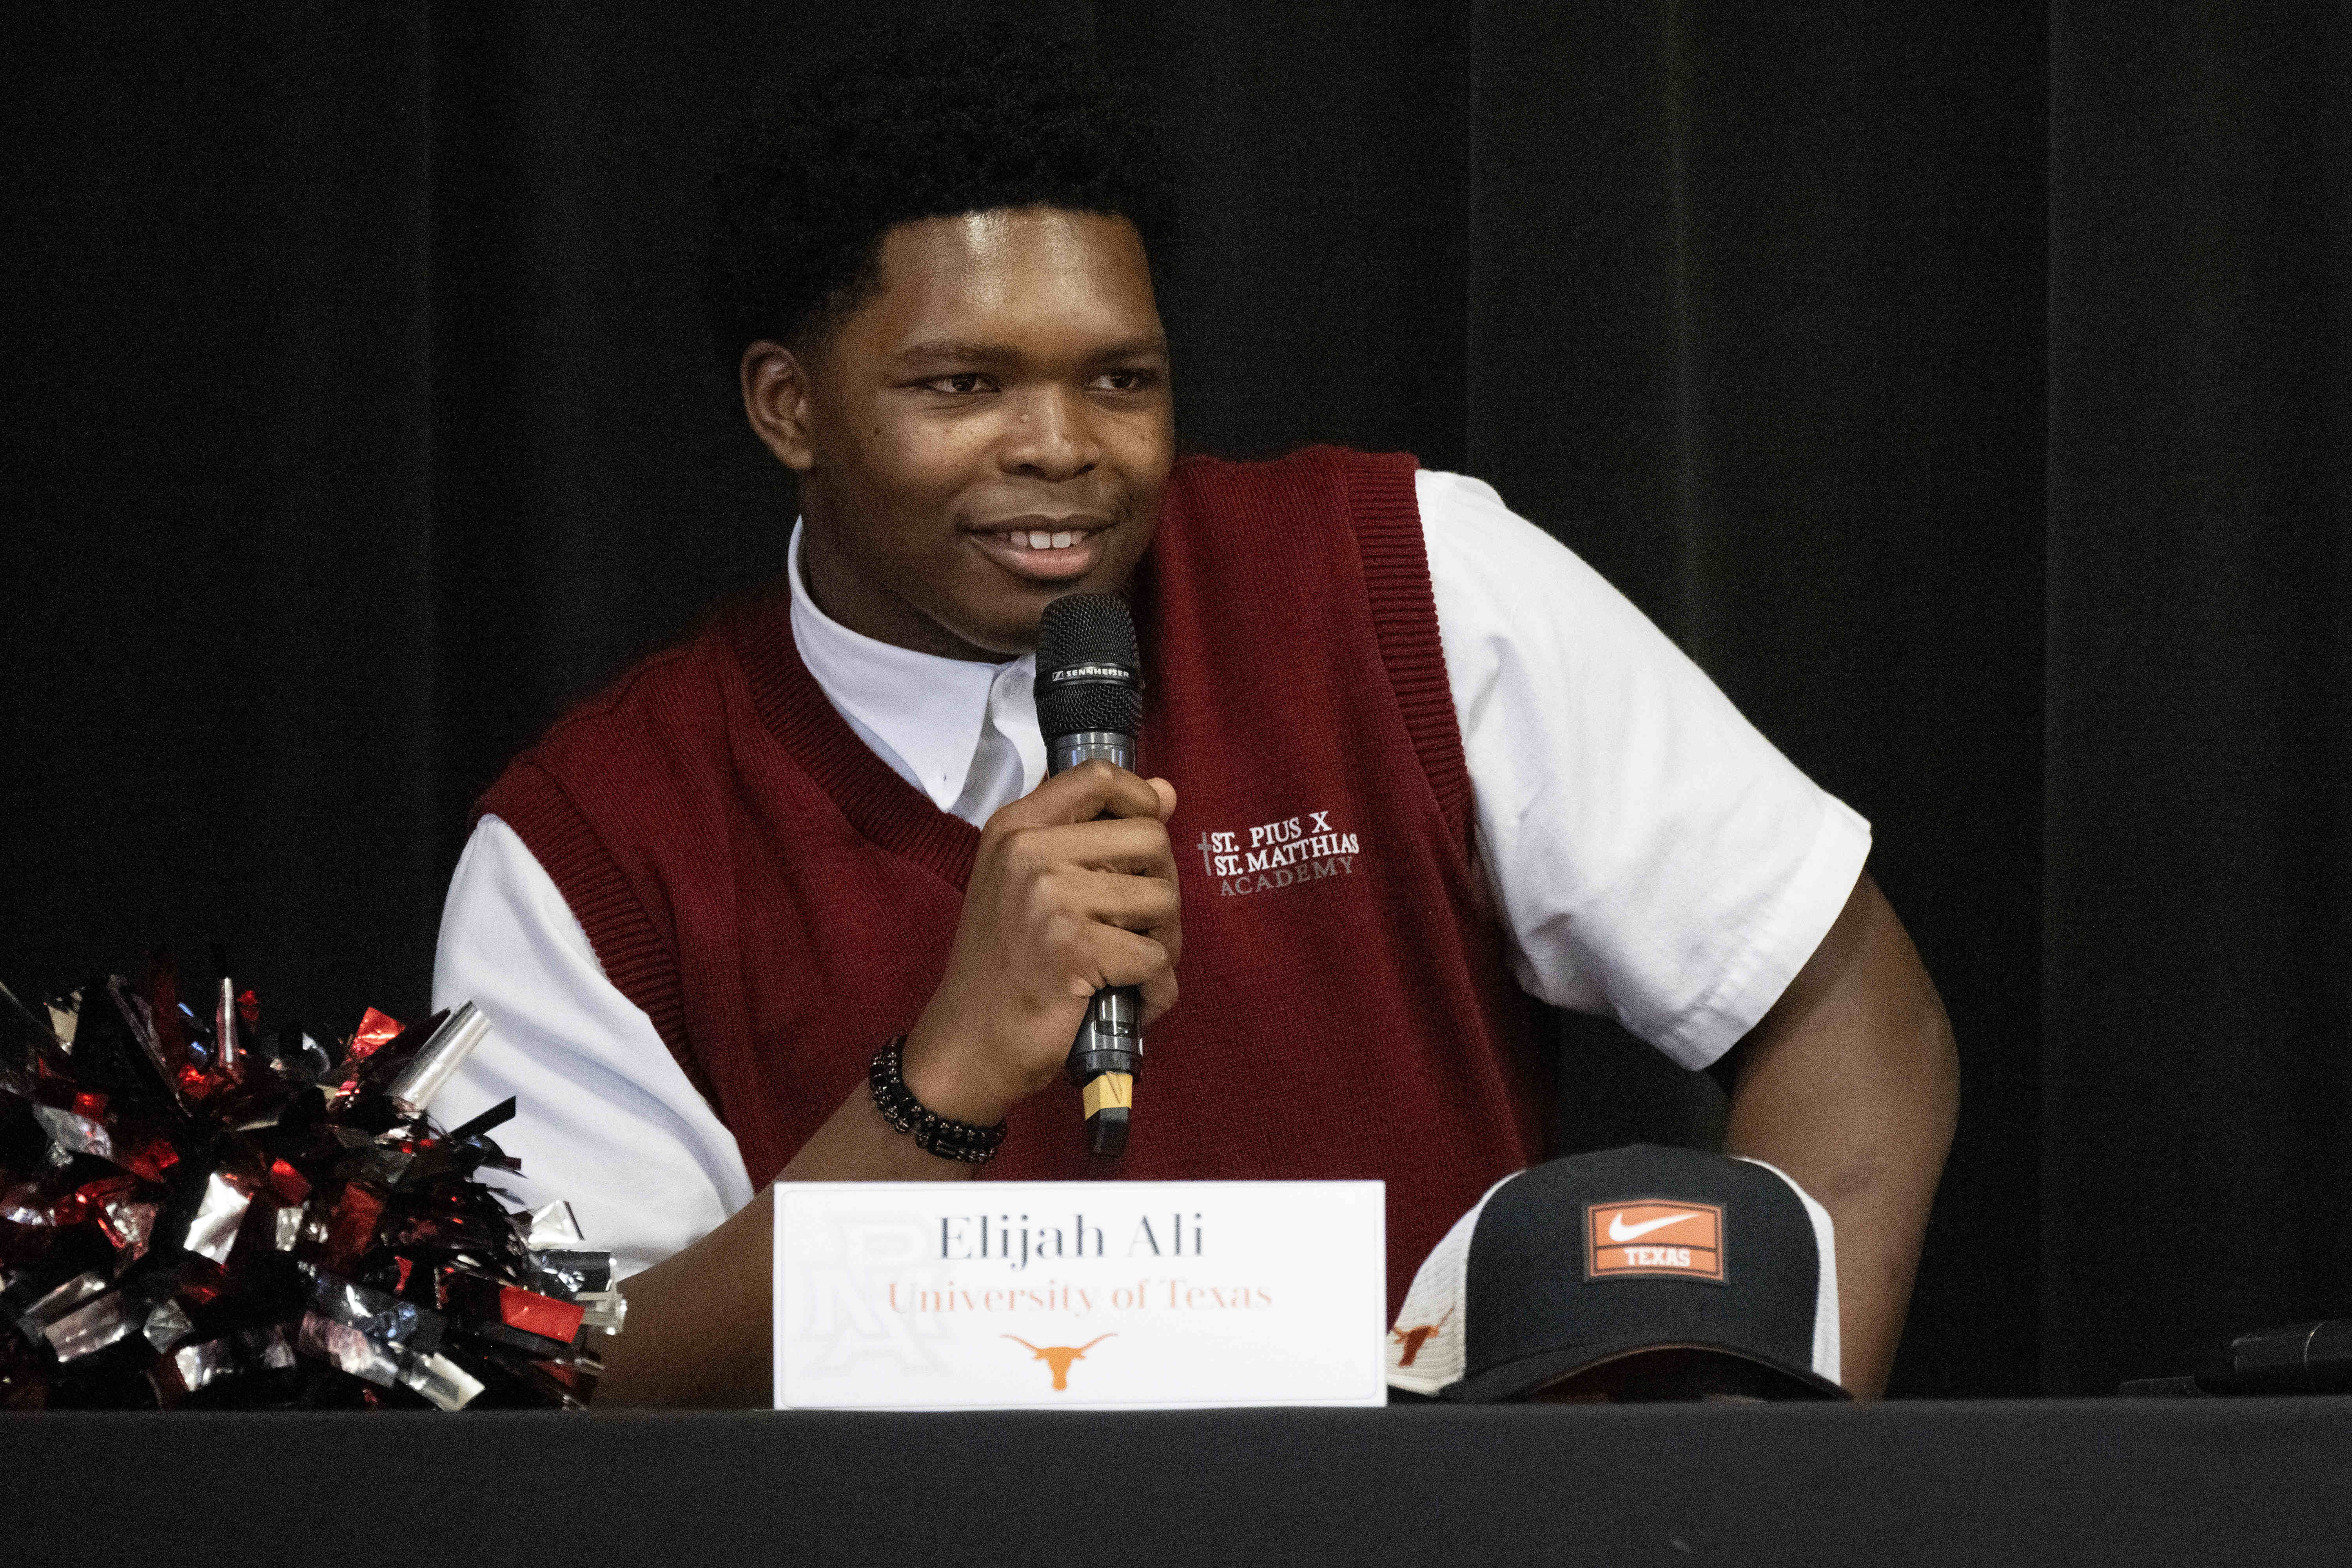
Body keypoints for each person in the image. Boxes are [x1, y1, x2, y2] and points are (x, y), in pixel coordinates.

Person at [430, 24, 1958, 1407]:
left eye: (1120, 379)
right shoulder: (597, 848)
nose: (1062, 447)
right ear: (789, 405)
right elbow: (552, 1379)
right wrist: (941, 1082)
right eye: (962, 386)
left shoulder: (1401, 583)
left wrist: (1752, 1477)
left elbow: (1852, 1012)